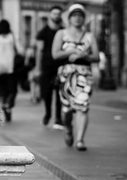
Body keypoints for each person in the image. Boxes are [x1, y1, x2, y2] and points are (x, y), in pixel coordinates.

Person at [52, 4, 99, 151]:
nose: (77, 18)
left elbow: (96, 56)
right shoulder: (61, 33)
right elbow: (55, 54)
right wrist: (70, 51)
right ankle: (68, 128)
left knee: (83, 106)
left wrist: (85, 55)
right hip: (66, 75)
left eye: (80, 16)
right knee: (66, 109)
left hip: (84, 75)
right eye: (74, 15)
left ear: (84, 18)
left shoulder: (89, 36)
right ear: (69, 18)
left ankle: (80, 140)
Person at [35, 5, 65, 129]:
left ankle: (58, 118)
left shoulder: (64, 31)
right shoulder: (43, 32)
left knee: (59, 93)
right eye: (54, 13)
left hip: (61, 66)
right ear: (50, 15)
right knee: (47, 93)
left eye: (58, 14)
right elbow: (39, 51)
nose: (56, 16)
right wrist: (37, 68)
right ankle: (47, 114)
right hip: (47, 66)